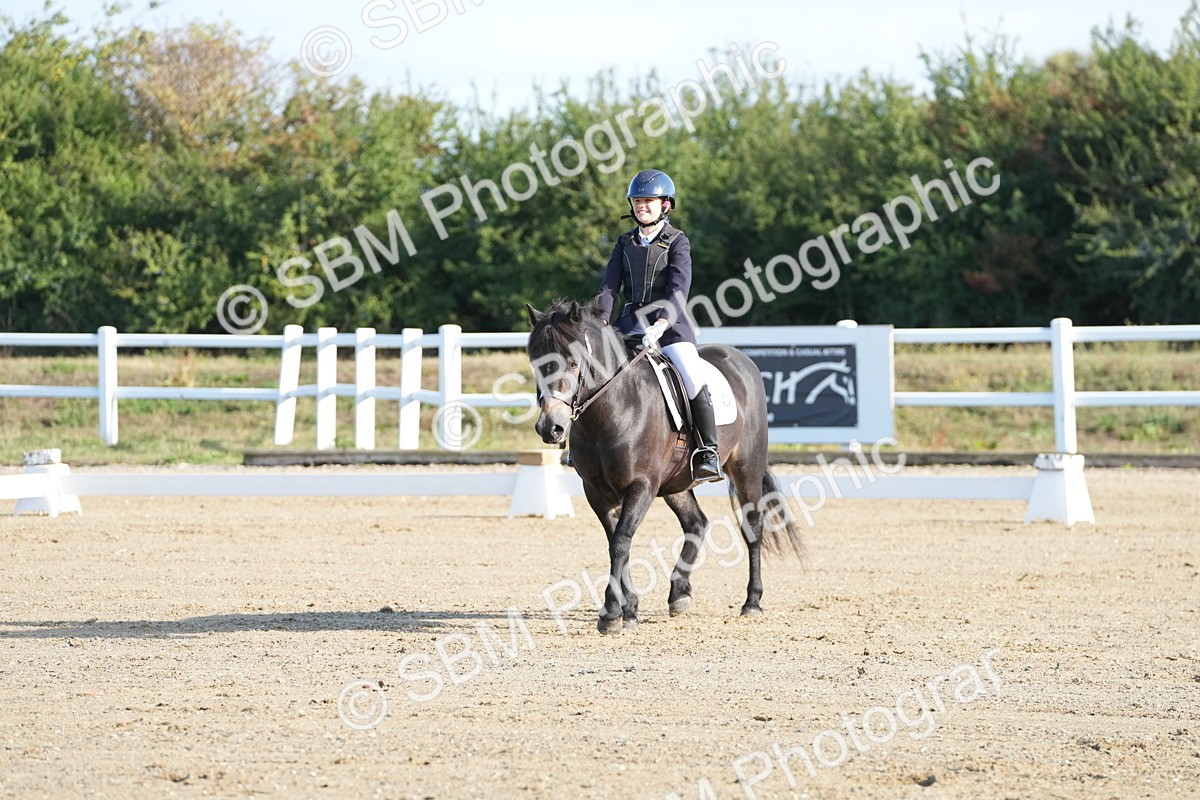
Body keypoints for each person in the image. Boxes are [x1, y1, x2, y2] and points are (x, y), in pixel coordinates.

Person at [595, 169, 724, 483]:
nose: (641, 206)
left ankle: (707, 451)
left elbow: (679, 288)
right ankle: (580, 447)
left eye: (648, 201)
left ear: (665, 204)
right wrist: (600, 320)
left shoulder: (678, 241)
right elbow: (609, 287)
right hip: (628, 325)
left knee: (691, 376)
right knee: (593, 370)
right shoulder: (624, 242)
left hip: (670, 326)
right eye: (637, 201)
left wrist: (663, 322)